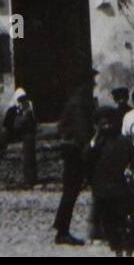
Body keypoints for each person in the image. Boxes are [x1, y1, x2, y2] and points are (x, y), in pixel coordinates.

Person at [84, 106, 134, 257]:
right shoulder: (99, 145)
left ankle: (124, 253)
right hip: (108, 191)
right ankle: (121, 253)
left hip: (115, 190)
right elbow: (86, 159)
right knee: (114, 225)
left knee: (121, 224)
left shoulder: (122, 142)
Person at [53, 68, 98, 245]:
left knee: (72, 191)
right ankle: (63, 231)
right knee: (73, 191)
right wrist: (90, 151)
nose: (94, 84)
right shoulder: (79, 102)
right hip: (76, 153)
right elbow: (82, 131)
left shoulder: (78, 100)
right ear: (84, 83)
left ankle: (63, 229)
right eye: (91, 81)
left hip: (74, 151)